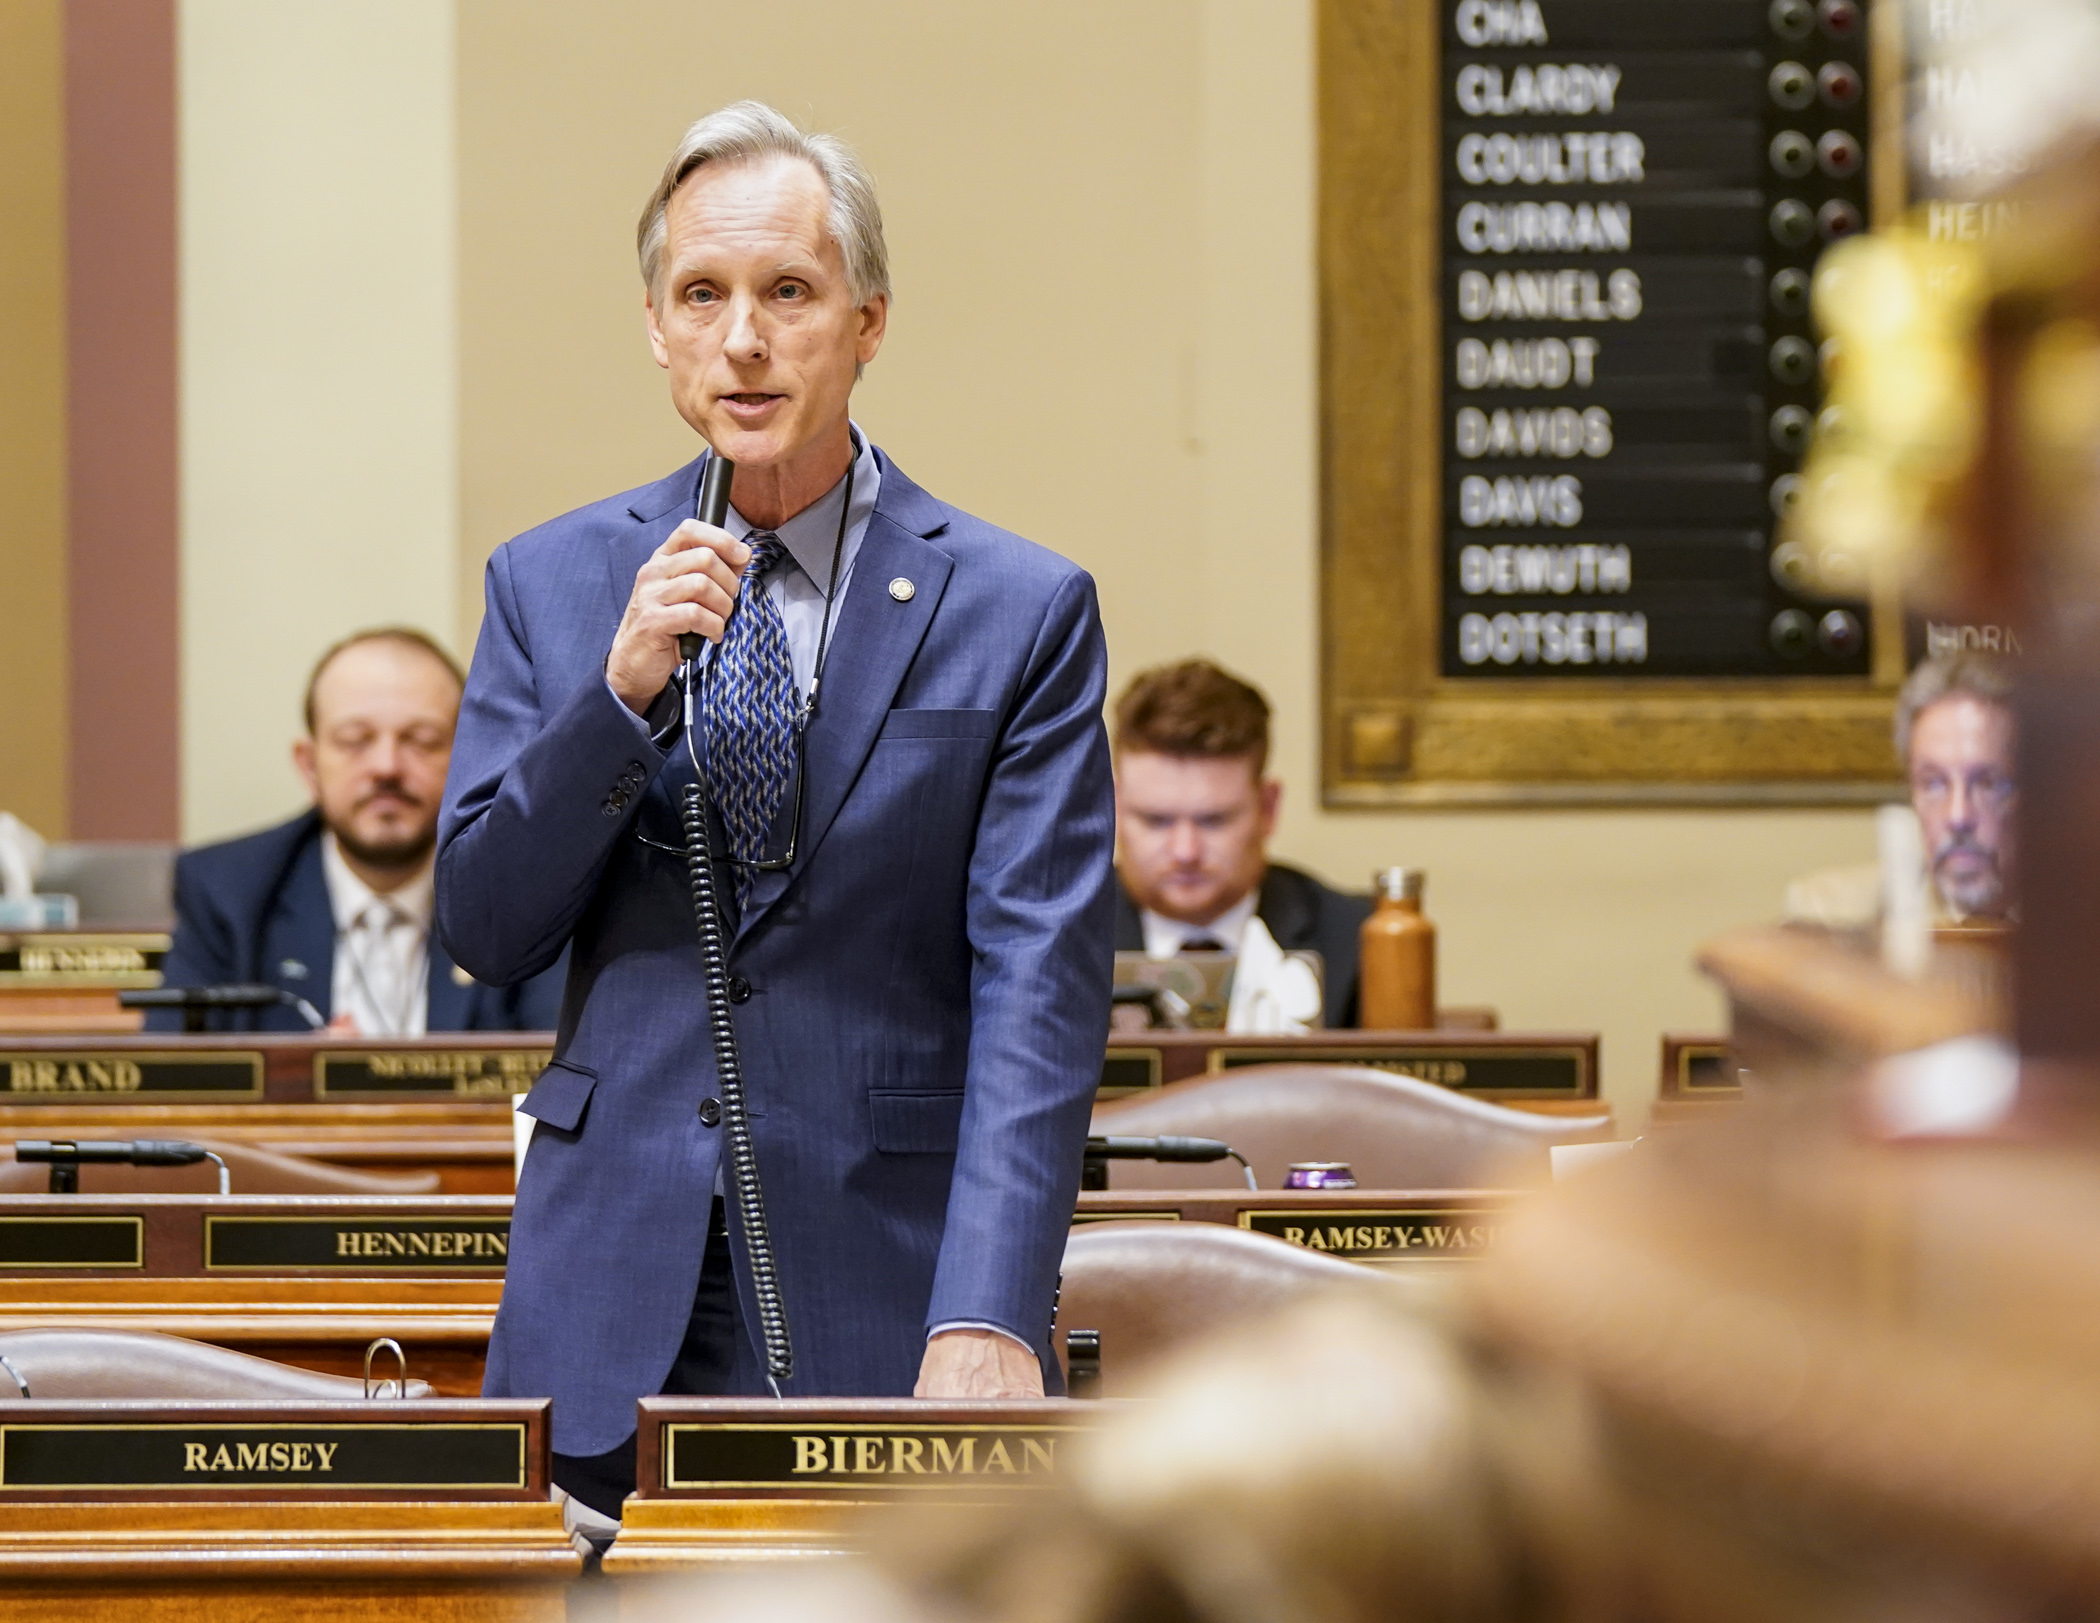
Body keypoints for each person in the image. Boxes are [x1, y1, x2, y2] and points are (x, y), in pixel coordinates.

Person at [436, 103, 1114, 1523]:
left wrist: (989, 1307)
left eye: (787, 293)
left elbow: (1040, 989)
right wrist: (616, 697)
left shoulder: (1019, 608)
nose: (744, 339)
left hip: (886, 1269)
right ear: (657, 329)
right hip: (608, 1276)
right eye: (704, 295)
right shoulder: (551, 584)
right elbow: (486, 928)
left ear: (867, 322)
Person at [153, 628, 563, 1034]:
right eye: (355, 740)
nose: (386, 766)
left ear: (470, 759)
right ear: (310, 766)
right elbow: (176, 1084)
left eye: (421, 740)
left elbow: (550, 1069)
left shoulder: (525, 889)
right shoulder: (227, 893)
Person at [1112, 660, 1369, 1027]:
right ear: (1114, 808)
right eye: (1156, 820)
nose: (1185, 852)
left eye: (1213, 820)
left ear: (1268, 808)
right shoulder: (1051, 934)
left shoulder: (1353, 938)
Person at [1786, 652, 2016, 928]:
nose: (1957, 817)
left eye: (1988, 784)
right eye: (1933, 783)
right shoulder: (1831, 917)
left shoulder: (2079, 926)